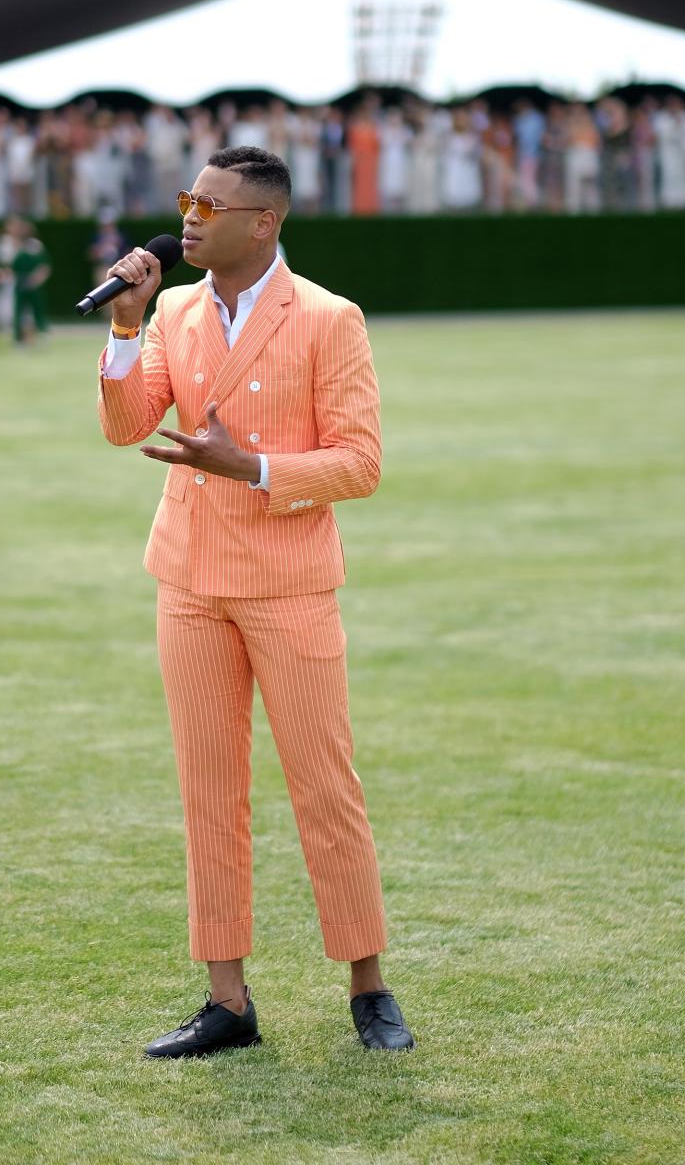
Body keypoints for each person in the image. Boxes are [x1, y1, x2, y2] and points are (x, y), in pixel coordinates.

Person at [97, 144, 414, 1059]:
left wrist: (256, 467)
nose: (189, 215)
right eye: (188, 198)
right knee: (208, 791)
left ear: (262, 222)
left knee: (325, 785)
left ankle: (368, 985)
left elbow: (360, 463)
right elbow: (126, 428)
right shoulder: (170, 309)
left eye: (211, 203)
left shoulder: (328, 318)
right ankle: (227, 1001)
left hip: (288, 582)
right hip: (189, 580)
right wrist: (123, 330)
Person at [9, 217, 51, 344]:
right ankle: (19, 338)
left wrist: (37, 279)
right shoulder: (16, 244)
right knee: (19, 311)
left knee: (37, 309)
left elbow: (44, 265)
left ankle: (42, 334)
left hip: (34, 282)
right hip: (20, 282)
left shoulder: (35, 245)